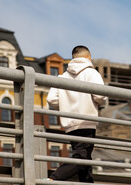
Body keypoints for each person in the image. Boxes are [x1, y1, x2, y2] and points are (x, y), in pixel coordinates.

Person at [46, 45, 106, 183]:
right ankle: (53, 179)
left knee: (84, 157)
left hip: (70, 124)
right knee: (82, 158)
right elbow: (101, 96)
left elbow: (51, 99)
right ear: (88, 57)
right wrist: (99, 102)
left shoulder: (62, 77)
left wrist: (66, 107)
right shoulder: (92, 73)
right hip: (86, 121)